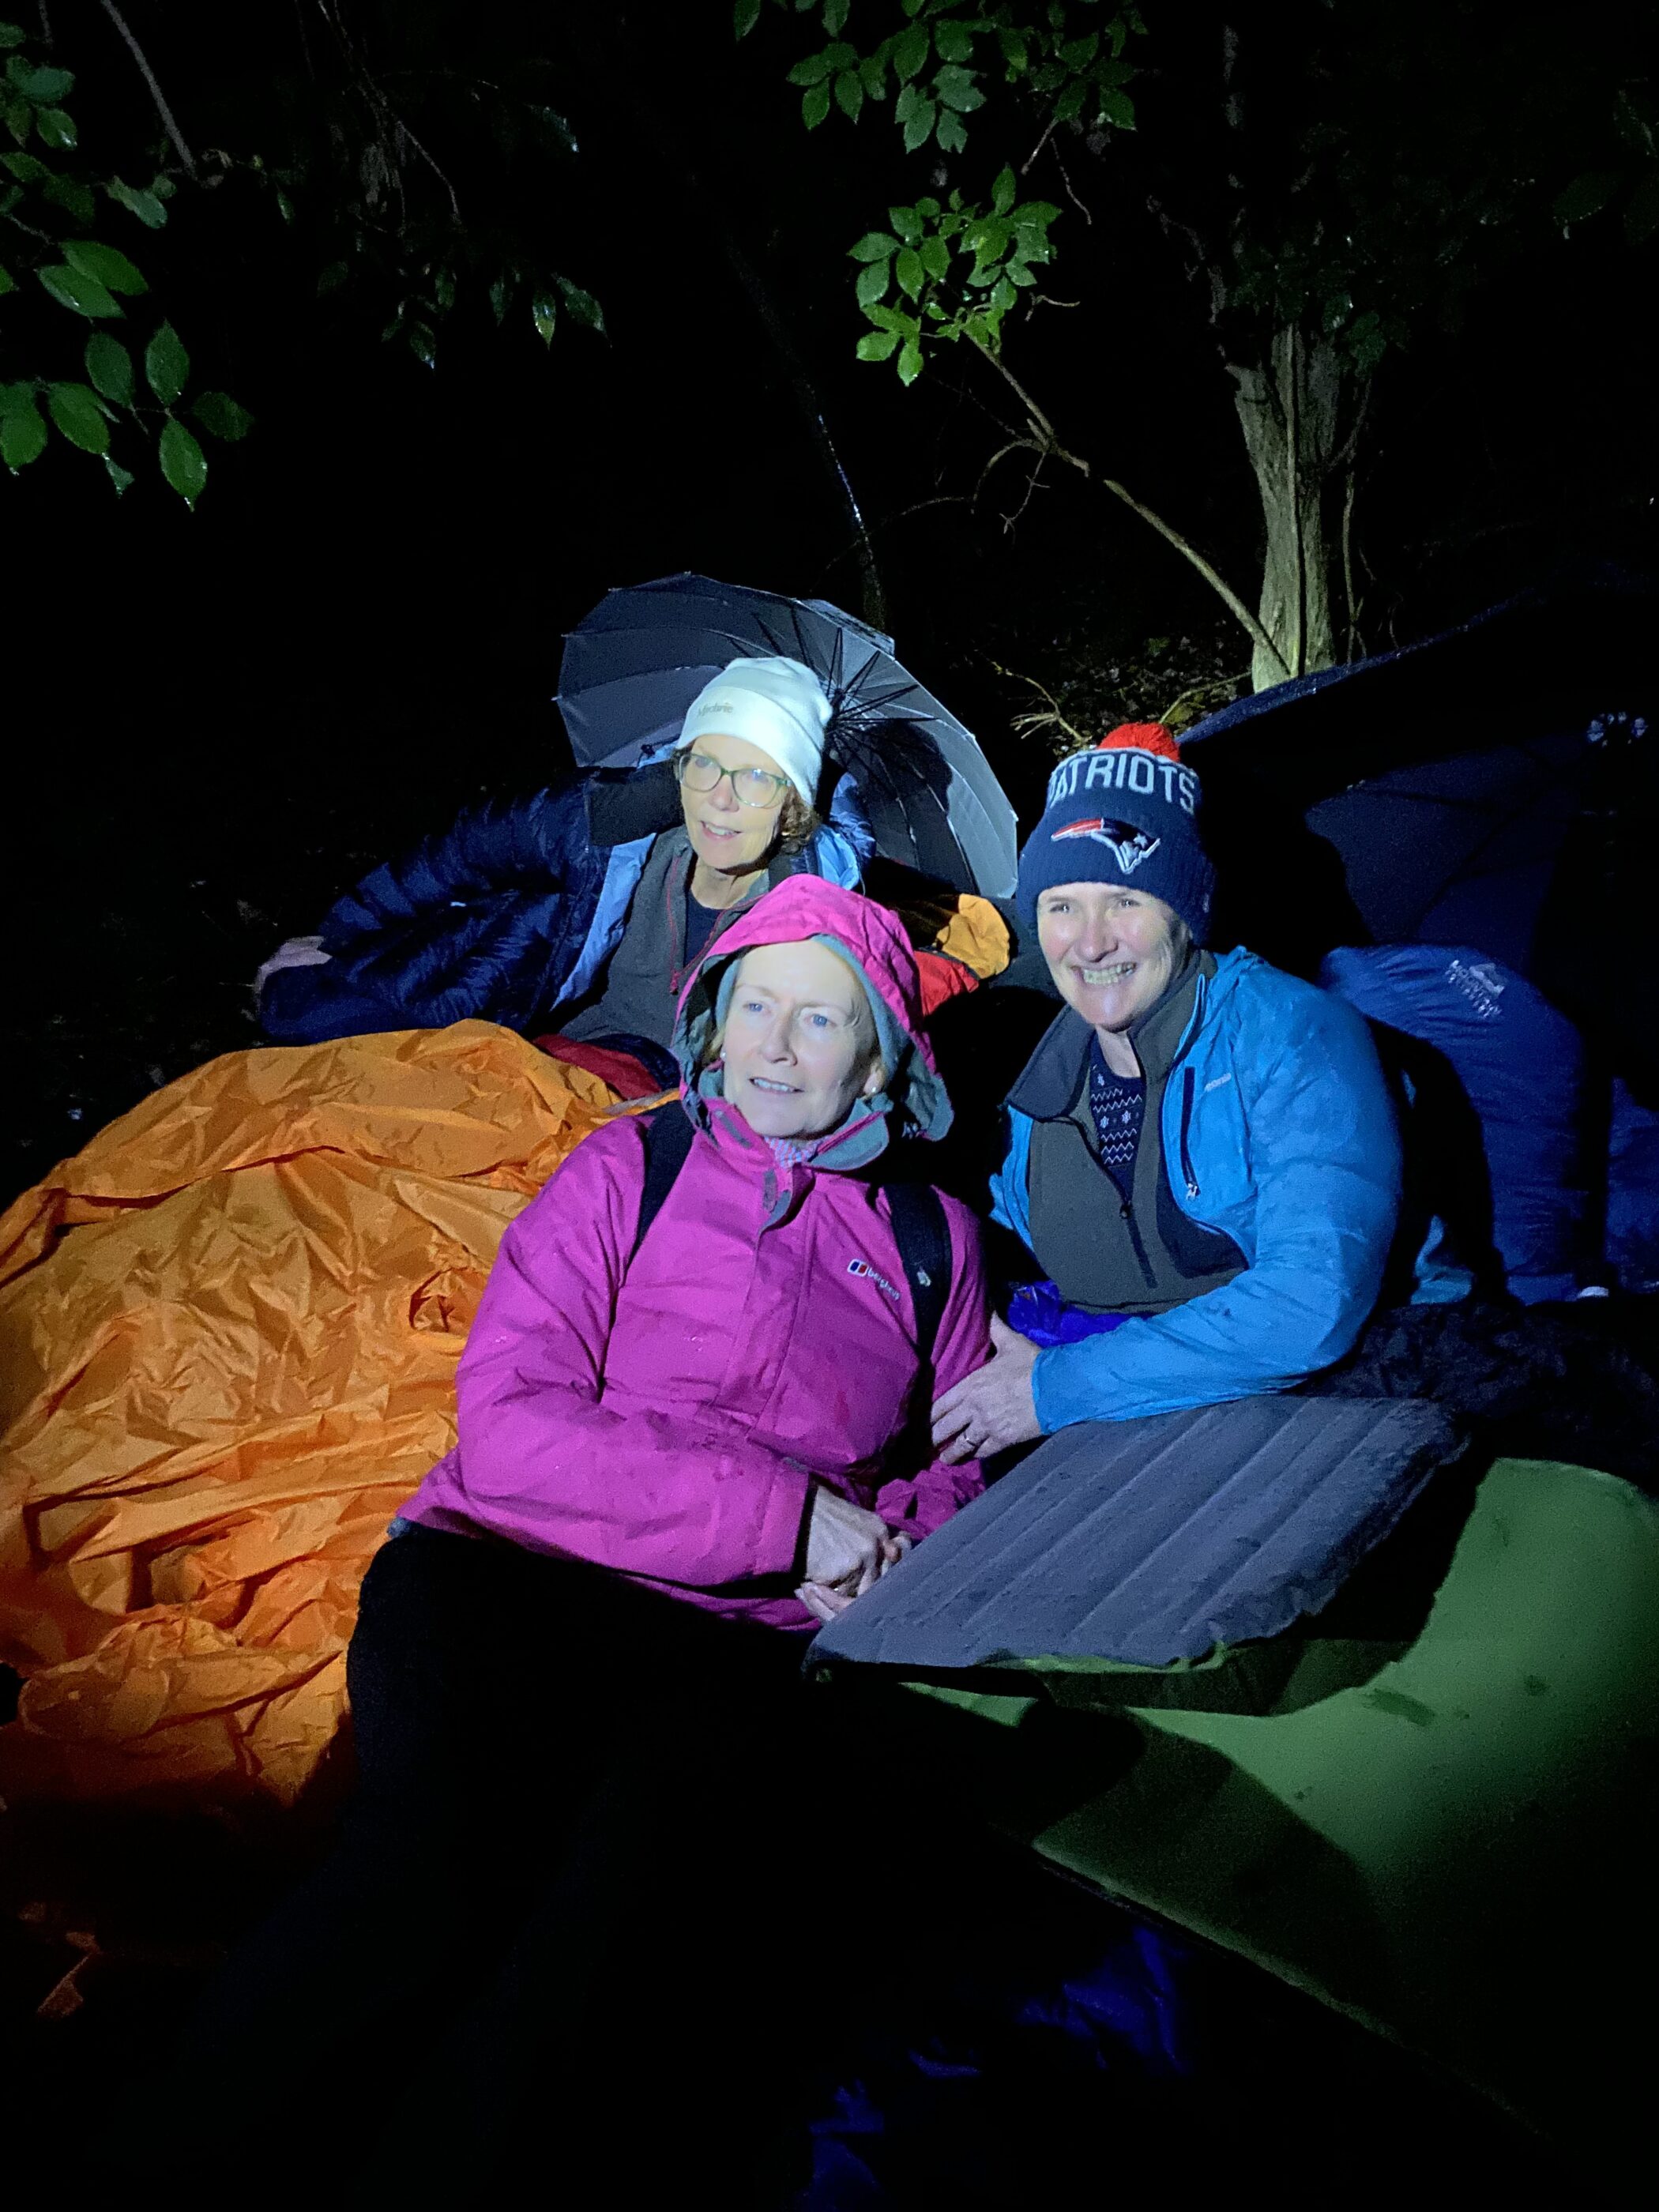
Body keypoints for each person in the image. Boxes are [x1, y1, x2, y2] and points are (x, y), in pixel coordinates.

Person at [169, 878, 989, 2193]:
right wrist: (789, 1519)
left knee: (598, 1948)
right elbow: (509, 1430)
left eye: (822, 1020)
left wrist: (894, 1561)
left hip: (727, 1647)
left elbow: (955, 1458)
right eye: (756, 1005)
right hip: (512, 1578)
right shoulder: (635, 1165)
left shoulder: (932, 1240)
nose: (777, 1045)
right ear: (713, 1019)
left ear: (882, 1056)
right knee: (427, 1874)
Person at [932, 723, 1409, 1464]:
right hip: (1142, 1428)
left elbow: (1310, 1303)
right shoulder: (1043, 1089)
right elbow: (990, 1247)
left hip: (1350, 1404)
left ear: (1186, 913)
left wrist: (1054, 1388)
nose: (1089, 944)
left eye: (1124, 901)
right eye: (1061, 906)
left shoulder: (1293, 1034)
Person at [256, 654, 871, 1063]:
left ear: (792, 805)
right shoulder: (607, 826)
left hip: (666, 1101)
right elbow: (460, 855)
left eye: (757, 779)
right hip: (545, 1039)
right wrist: (343, 935)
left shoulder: (814, 922)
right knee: (308, 1014)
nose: (720, 799)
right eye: (704, 763)